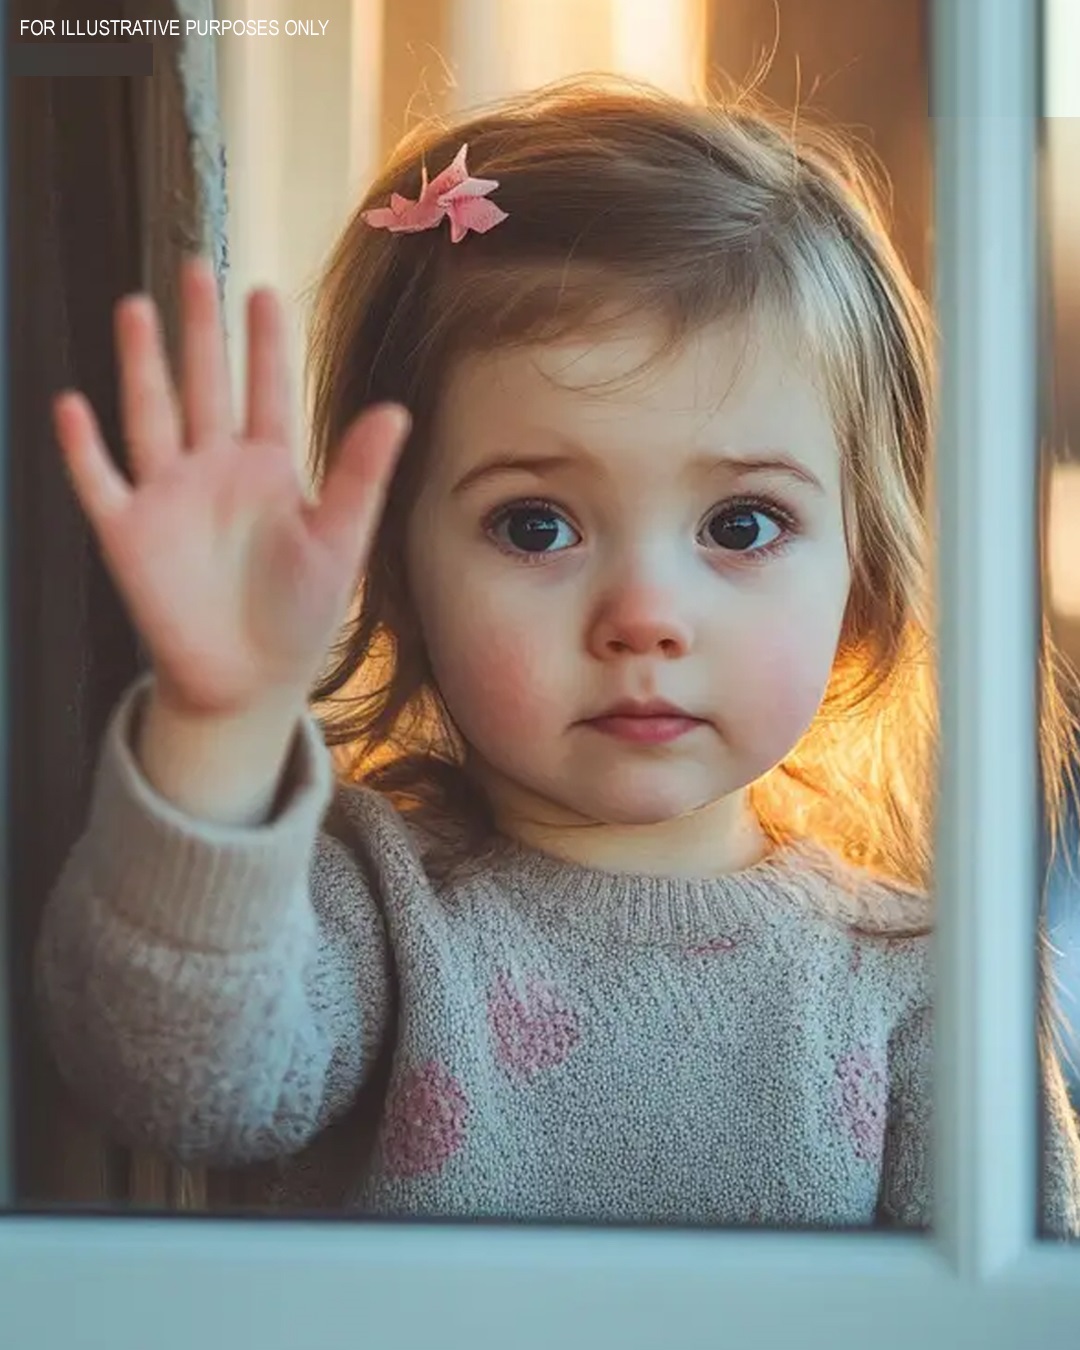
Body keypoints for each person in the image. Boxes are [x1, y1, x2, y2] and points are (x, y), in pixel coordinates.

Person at [32, 74, 1080, 1234]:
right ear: (399, 580)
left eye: (741, 525)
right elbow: (172, 1080)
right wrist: (217, 719)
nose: (644, 615)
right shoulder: (369, 901)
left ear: (867, 586)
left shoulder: (928, 984)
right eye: (536, 525)